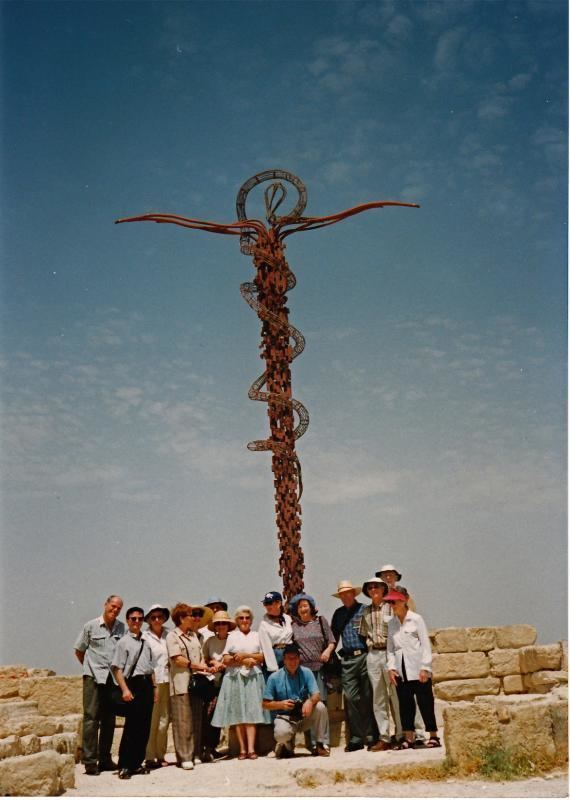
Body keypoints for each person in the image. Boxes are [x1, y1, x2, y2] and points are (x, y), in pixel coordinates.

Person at [74, 594, 125, 775]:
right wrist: (91, 668)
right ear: (105, 605)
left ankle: (105, 759)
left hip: (112, 679)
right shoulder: (90, 626)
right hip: (93, 677)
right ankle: (90, 761)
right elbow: (79, 651)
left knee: (109, 720)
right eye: (113, 606)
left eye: (119, 608)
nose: (115, 610)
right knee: (91, 719)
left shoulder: (121, 628)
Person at [211, 605, 270, 759]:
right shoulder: (233, 636)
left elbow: (263, 657)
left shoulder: (257, 635)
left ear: (251, 620)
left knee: (252, 712)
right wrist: (246, 660)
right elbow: (226, 659)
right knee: (238, 713)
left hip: (253, 676)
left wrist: (246, 656)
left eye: (247, 618)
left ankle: (251, 749)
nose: (244, 621)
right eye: (241, 618)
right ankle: (242, 749)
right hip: (235, 677)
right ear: (236, 620)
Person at [386, 591, 440, 750]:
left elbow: (425, 644)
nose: (392, 605)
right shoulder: (391, 623)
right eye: (390, 603)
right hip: (400, 670)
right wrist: (391, 667)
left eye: (394, 602)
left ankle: (434, 736)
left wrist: (425, 667)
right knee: (405, 704)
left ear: (404, 601)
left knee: (425, 702)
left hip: (417, 668)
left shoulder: (416, 619)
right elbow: (390, 649)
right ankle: (408, 738)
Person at [165, 603, 213, 770]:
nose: (194, 618)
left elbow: (200, 657)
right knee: (182, 720)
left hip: (196, 683)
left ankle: (195, 753)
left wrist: (206, 668)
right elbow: (177, 659)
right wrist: (199, 667)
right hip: (181, 683)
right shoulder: (172, 636)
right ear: (181, 618)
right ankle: (184, 755)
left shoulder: (194, 636)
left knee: (196, 718)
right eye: (191, 615)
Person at [111, 606, 157, 780]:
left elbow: (150, 668)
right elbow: (117, 668)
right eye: (133, 619)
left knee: (144, 726)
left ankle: (137, 763)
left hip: (146, 685)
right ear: (128, 620)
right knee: (132, 727)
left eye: (139, 619)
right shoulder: (123, 642)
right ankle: (125, 765)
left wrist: (154, 689)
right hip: (133, 685)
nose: (136, 622)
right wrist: (125, 689)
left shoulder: (146, 642)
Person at [330, 580, 376, 752]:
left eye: (348, 592)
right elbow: (333, 637)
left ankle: (371, 736)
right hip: (347, 660)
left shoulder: (365, 609)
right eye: (342, 594)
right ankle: (356, 738)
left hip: (365, 656)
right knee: (350, 699)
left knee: (368, 696)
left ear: (354, 594)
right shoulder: (338, 614)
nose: (345, 596)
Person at [262, 642, 330, 758]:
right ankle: (286, 746)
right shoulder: (274, 677)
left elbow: (317, 694)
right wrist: (281, 704)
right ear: (284, 660)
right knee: (281, 734)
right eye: (289, 659)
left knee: (320, 707)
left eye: (295, 658)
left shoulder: (307, 672)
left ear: (299, 659)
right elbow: (265, 704)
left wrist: (309, 701)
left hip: (303, 715)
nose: (292, 662)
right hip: (285, 717)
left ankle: (320, 744)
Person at [359, 578, 402, 751]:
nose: (373, 589)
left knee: (395, 695)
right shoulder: (366, 611)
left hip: (389, 652)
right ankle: (384, 736)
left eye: (377, 586)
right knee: (378, 698)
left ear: (383, 589)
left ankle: (400, 734)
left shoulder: (390, 607)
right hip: (373, 654)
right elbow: (364, 633)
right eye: (370, 587)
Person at [289, 593, 335, 752]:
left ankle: (324, 741)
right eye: (300, 606)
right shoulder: (293, 627)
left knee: (321, 705)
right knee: (307, 706)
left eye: (305, 605)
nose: (303, 609)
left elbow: (331, 641)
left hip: (319, 668)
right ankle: (312, 743)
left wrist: (328, 652)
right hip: (303, 672)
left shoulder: (321, 622)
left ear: (311, 607)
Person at [202, 609, 235, 760]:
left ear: (228, 625)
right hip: (213, 683)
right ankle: (209, 747)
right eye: (218, 624)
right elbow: (205, 657)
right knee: (212, 714)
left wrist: (224, 665)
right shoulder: (209, 641)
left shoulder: (234, 639)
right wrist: (213, 662)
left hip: (231, 679)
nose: (221, 626)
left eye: (223, 623)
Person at [142, 604, 171, 770]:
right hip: (152, 682)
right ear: (148, 620)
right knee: (152, 720)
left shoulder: (169, 635)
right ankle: (149, 756)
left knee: (164, 720)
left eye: (160, 616)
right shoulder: (144, 637)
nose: (157, 620)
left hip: (167, 680)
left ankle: (161, 755)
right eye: (153, 617)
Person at [258, 591, 293, 675]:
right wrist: (274, 670)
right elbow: (267, 648)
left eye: (270, 603)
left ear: (279, 603)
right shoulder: (264, 624)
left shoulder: (288, 619)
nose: (267, 606)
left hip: (290, 654)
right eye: (265, 604)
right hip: (276, 656)